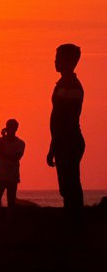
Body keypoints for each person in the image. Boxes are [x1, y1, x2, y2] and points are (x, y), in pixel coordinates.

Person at [47, 43, 85, 223]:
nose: (55, 61)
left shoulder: (71, 86)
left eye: (58, 58)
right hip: (62, 141)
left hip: (69, 140)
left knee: (70, 184)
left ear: (69, 61)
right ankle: (72, 218)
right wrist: (53, 145)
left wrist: (55, 144)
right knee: (66, 185)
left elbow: (66, 120)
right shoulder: (62, 84)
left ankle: (75, 221)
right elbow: (58, 120)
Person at [0, 119, 25, 222]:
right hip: (0, 175)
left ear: (16, 128)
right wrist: (3, 138)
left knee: (11, 200)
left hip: (12, 176)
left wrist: (2, 155)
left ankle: (9, 221)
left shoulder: (20, 143)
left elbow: (16, 157)